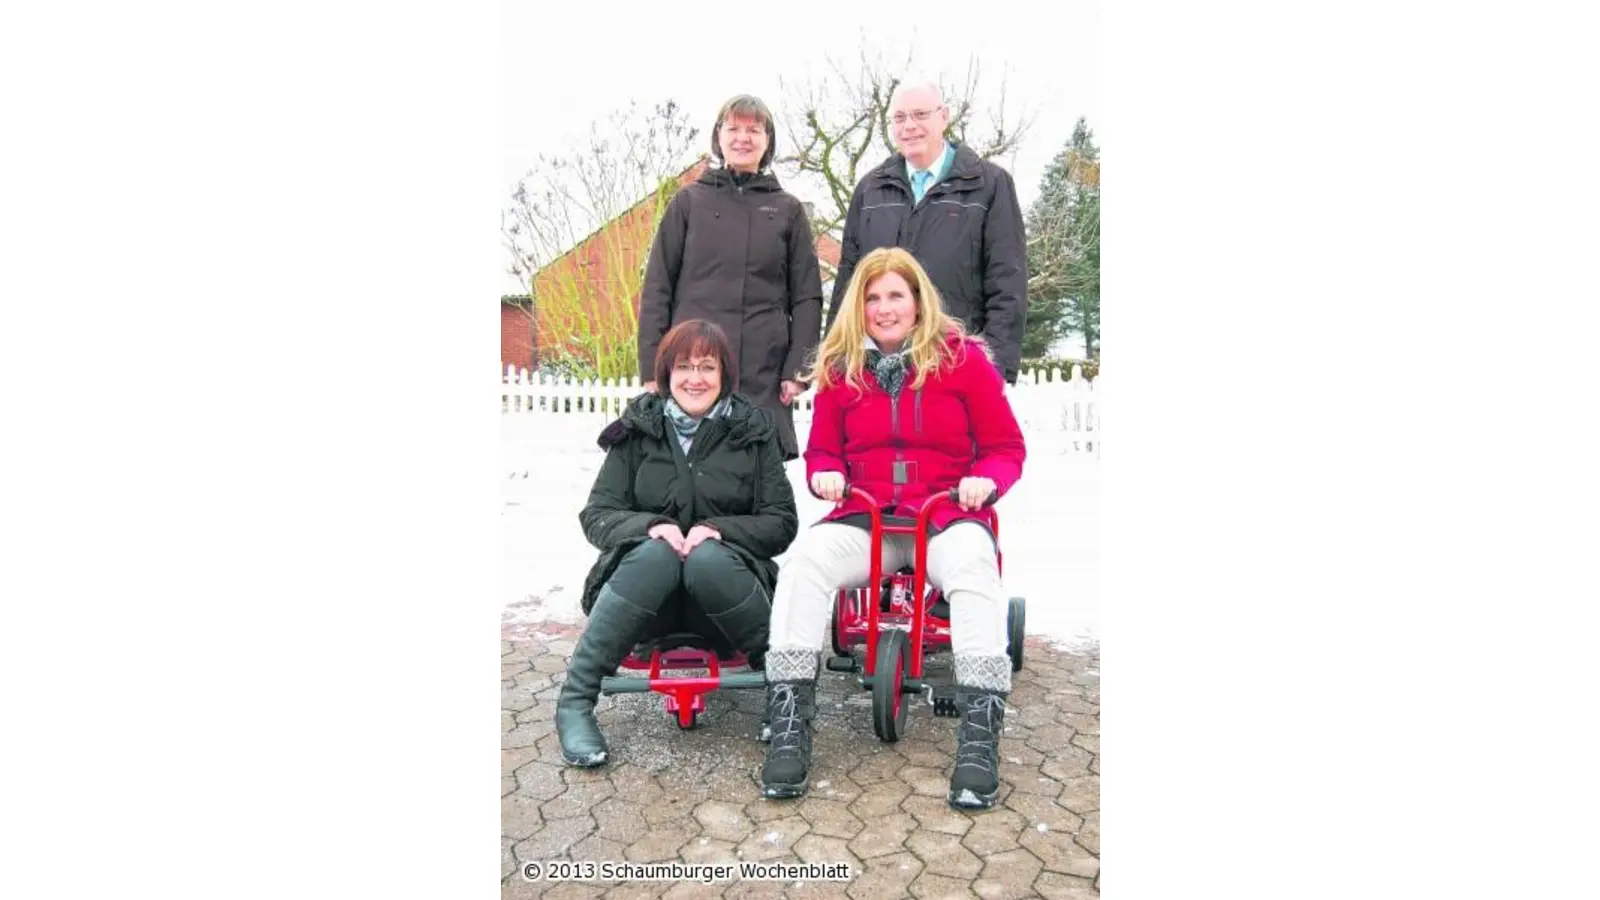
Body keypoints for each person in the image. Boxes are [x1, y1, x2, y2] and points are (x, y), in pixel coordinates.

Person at [759, 247, 1027, 810]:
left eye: (895, 296)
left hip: (944, 516)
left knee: (976, 571)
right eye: (872, 297)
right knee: (806, 561)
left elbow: (1005, 447)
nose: (884, 309)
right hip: (869, 518)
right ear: (859, 306)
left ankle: (978, 737)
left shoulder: (962, 361)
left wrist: (984, 481)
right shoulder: (841, 371)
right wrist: (826, 473)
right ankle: (788, 719)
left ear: (917, 300)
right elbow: (822, 452)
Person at [558, 319, 799, 768]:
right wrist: (650, 526)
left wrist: (719, 530)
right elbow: (597, 515)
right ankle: (575, 701)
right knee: (658, 551)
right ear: (667, 373)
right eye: (684, 366)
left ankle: (783, 696)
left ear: (725, 375)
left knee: (706, 557)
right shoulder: (637, 430)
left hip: (728, 605)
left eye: (707, 366)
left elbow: (782, 523)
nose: (695, 378)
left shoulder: (754, 432)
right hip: (648, 608)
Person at [639, 94, 824, 461]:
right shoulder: (688, 203)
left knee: (757, 479)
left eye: (754, 129)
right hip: (695, 366)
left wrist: (798, 368)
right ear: (718, 137)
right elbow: (658, 285)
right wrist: (651, 366)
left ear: (767, 140)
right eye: (734, 128)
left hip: (763, 370)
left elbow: (806, 296)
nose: (743, 137)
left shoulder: (787, 210)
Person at [826, 80, 1029, 385]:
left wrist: (994, 369)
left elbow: (1007, 284)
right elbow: (848, 280)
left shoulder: (990, 185)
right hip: (880, 370)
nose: (909, 126)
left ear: (944, 116)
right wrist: (835, 362)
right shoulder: (870, 190)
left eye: (920, 115)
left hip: (957, 365)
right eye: (899, 117)